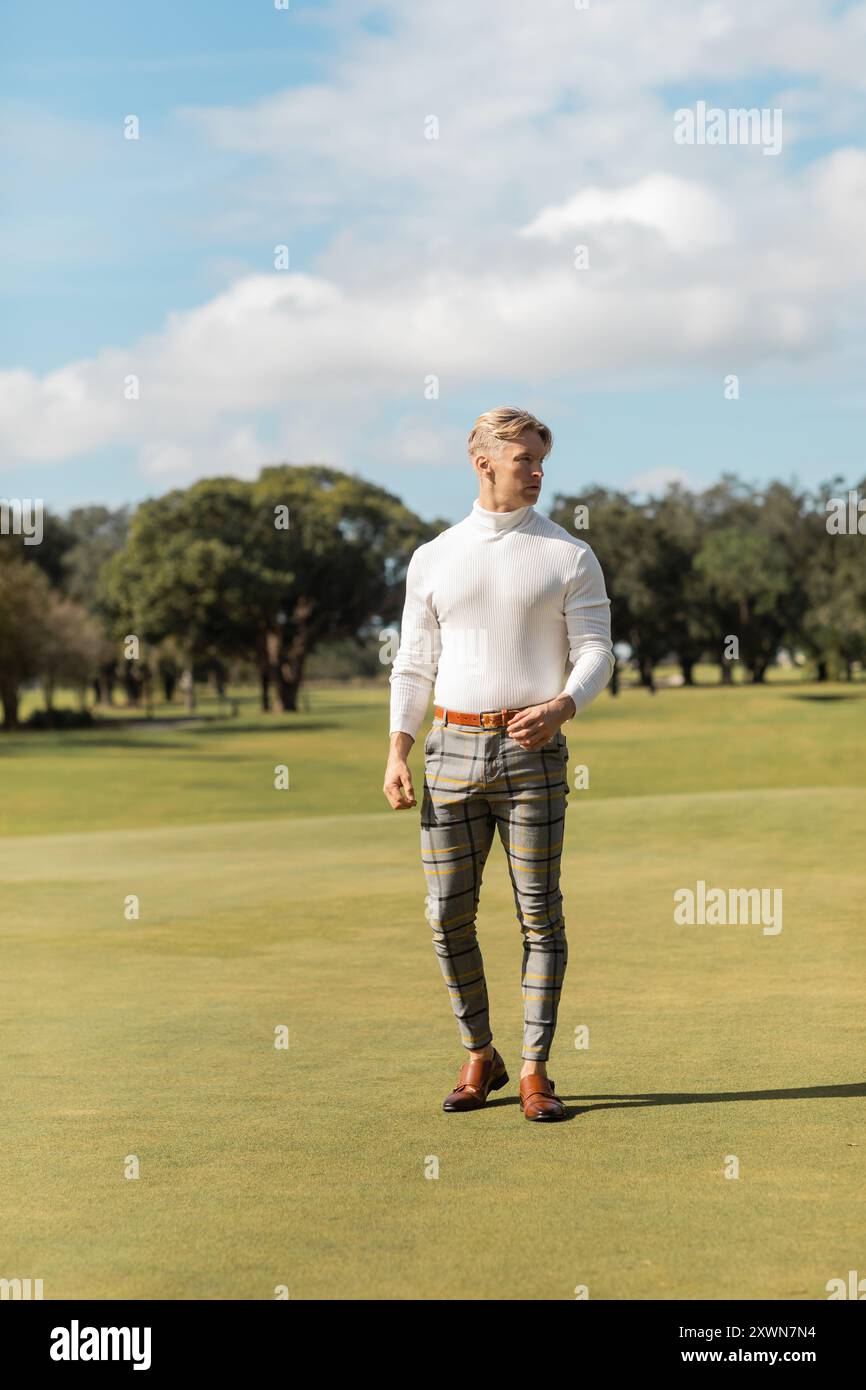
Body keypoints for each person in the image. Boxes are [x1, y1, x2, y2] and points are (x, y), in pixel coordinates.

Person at [383, 407, 614, 1121]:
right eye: (526, 461)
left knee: (539, 914)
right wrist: (398, 749)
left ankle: (537, 1072)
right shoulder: (434, 556)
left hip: (533, 754)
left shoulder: (568, 555)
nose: (539, 472)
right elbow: (414, 664)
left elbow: (598, 652)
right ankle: (481, 1053)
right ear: (484, 463)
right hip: (449, 749)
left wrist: (562, 708)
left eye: (543, 459)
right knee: (447, 913)